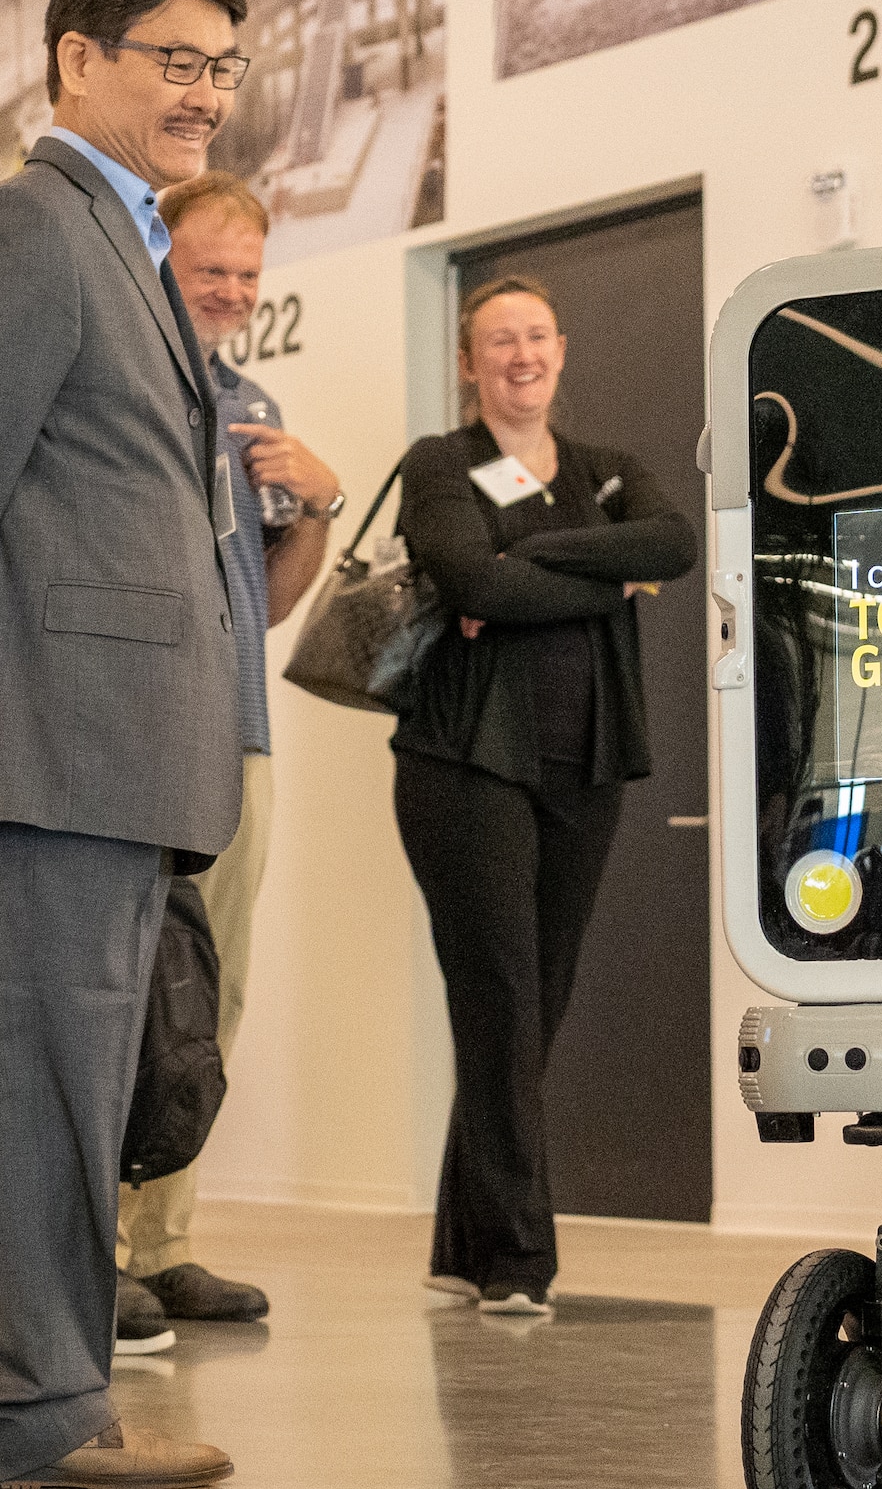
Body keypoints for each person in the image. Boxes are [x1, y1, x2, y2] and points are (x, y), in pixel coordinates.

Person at [0, 0, 262, 1489]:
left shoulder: (124, 237)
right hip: (45, 738)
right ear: (79, 59)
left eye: (222, 66)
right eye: (174, 58)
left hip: (105, 742)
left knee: (46, 1082)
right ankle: (39, 1406)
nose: (204, 92)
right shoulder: (32, 228)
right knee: (45, 1087)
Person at [389, 273, 694, 1320]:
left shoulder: (608, 473)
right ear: (468, 364)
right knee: (501, 1004)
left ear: (560, 350)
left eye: (534, 338)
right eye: (495, 342)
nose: (518, 356)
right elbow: (470, 582)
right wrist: (601, 581)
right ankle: (517, 1261)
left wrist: (535, 552)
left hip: (585, 764)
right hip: (464, 765)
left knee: (529, 1012)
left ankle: (460, 1238)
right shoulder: (440, 464)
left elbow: (673, 545)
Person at [125, 171, 346, 1327]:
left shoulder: (250, 399)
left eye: (247, 276)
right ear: (160, 258)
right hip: (123, 732)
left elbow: (262, 606)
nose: (229, 292)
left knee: (210, 998)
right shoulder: (119, 383)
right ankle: (79, 1246)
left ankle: (160, 1245)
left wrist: (314, 505)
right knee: (114, 993)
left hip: (236, 735)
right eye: (210, 269)